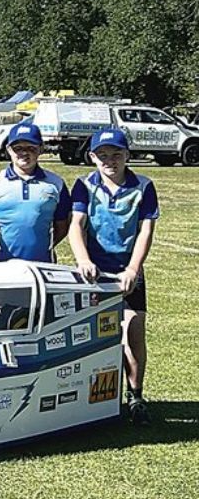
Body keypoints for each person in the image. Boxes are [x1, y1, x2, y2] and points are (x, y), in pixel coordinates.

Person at [68, 127, 159, 425]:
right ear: (92, 157)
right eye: (103, 155)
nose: (110, 161)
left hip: (128, 272)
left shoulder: (144, 186)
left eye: (117, 154)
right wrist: (83, 260)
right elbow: (76, 226)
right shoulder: (83, 185)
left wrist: (133, 269)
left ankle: (136, 396)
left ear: (127, 155)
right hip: (95, 274)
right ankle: (95, 401)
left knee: (134, 333)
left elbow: (146, 230)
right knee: (97, 336)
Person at [0, 122, 71, 263]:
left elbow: (62, 226)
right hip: (2, 265)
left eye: (31, 148)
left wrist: (46, 247)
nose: (24, 153)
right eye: (18, 148)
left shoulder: (56, 183)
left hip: (43, 264)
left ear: (41, 149)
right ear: (8, 150)